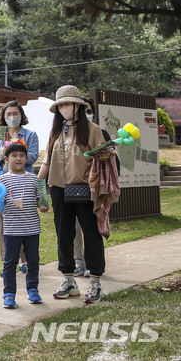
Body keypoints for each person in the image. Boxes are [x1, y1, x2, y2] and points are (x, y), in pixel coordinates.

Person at [37, 85, 111, 304]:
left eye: (67, 104)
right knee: (63, 233)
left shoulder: (93, 130)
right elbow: (47, 161)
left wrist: (106, 155)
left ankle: (95, 281)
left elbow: (103, 159)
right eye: (60, 105)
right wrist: (36, 183)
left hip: (85, 188)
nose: (63, 108)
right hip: (58, 189)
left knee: (91, 232)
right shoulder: (56, 131)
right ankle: (68, 279)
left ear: (78, 105)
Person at [0, 101, 40, 274]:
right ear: (3, 117)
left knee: (24, 222)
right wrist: (2, 151)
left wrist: (15, 148)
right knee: (3, 224)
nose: (12, 117)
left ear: (21, 115)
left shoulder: (30, 134)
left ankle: (25, 260)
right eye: (8, 114)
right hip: (3, 184)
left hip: (24, 184)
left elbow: (32, 156)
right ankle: (7, 261)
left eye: (15, 113)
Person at [73, 97, 120, 278]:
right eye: (83, 110)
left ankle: (93, 265)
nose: (87, 114)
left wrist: (106, 158)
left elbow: (115, 161)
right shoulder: (69, 133)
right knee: (74, 228)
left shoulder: (102, 133)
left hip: (96, 189)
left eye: (89, 110)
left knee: (92, 227)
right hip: (75, 187)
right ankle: (78, 262)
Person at [0, 141, 48, 308]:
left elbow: (39, 200)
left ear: (27, 158)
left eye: (22, 155)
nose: (18, 158)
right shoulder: (2, 179)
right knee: (10, 263)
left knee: (33, 260)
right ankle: (9, 294)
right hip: (11, 229)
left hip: (32, 228)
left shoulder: (34, 178)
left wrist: (42, 205)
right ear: (7, 158)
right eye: (14, 155)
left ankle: (33, 290)